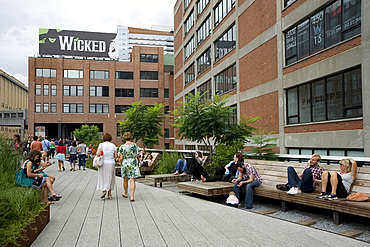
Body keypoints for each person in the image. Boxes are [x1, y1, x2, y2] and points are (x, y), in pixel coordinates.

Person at [118, 132, 141, 202]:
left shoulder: (122, 147)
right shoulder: (135, 145)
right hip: (133, 162)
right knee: (132, 179)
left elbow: (121, 157)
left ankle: (125, 193)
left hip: (125, 162)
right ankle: (132, 196)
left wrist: (120, 162)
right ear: (131, 137)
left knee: (125, 179)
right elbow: (138, 155)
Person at [96, 133, 118, 200]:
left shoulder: (101, 145)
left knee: (103, 177)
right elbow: (116, 156)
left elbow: (98, 154)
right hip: (111, 163)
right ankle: (109, 194)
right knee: (110, 178)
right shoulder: (113, 146)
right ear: (110, 138)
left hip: (103, 163)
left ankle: (104, 190)